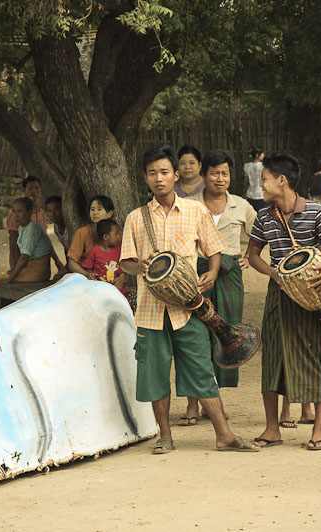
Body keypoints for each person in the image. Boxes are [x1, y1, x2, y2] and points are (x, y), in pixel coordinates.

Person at [120, 145, 258, 454]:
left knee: (201, 368)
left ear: (176, 175)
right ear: (145, 178)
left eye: (165, 172)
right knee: (155, 373)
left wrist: (211, 272)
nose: (159, 178)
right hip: (150, 310)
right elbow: (125, 261)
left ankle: (224, 435)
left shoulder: (196, 211)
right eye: (153, 173)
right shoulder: (135, 218)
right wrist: (138, 265)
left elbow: (214, 249)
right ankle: (165, 436)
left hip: (190, 307)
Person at [246, 152, 321, 450]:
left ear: (281, 181)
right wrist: (275, 274)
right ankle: (272, 429)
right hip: (278, 294)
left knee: (313, 355)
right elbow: (253, 255)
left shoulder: (315, 211)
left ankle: (319, 429)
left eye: (264, 180)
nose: (261, 186)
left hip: (310, 292)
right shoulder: (264, 216)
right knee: (272, 357)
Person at [179, 150, 257, 426]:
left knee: (226, 332)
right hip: (196, 272)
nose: (220, 178)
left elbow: (259, 234)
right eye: (215, 173)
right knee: (194, 333)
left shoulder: (241, 205)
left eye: (225, 173)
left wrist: (249, 256)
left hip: (230, 274)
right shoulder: (187, 204)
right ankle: (191, 404)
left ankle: (214, 404)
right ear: (204, 176)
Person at [0, 198, 54, 283]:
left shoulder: (32, 228)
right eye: (14, 211)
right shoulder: (21, 228)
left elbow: (24, 257)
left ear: (29, 212)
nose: (16, 215)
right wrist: (14, 270)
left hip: (38, 270)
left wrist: (10, 278)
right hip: (30, 266)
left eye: (20, 211)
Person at [68, 195, 115, 279]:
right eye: (92, 209)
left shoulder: (116, 234)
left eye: (99, 209)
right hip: (85, 278)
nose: (95, 213)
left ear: (110, 213)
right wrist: (87, 275)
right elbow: (72, 263)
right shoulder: (82, 233)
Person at [7, 176, 48, 269]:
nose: (34, 191)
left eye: (37, 188)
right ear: (24, 190)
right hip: (22, 263)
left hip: (40, 263)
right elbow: (13, 244)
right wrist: (14, 268)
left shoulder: (40, 212)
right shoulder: (15, 213)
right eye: (30, 188)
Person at [82, 219, 128, 295]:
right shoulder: (95, 251)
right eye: (116, 234)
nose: (119, 236)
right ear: (106, 237)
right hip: (100, 291)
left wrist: (122, 278)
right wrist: (90, 275)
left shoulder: (120, 250)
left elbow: (126, 268)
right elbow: (88, 268)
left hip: (118, 291)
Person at [244, 147, 266, 211]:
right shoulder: (263, 166)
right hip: (260, 195)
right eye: (262, 153)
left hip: (250, 194)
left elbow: (246, 181)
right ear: (257, 155)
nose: (263, 155)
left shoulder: (247, 166)